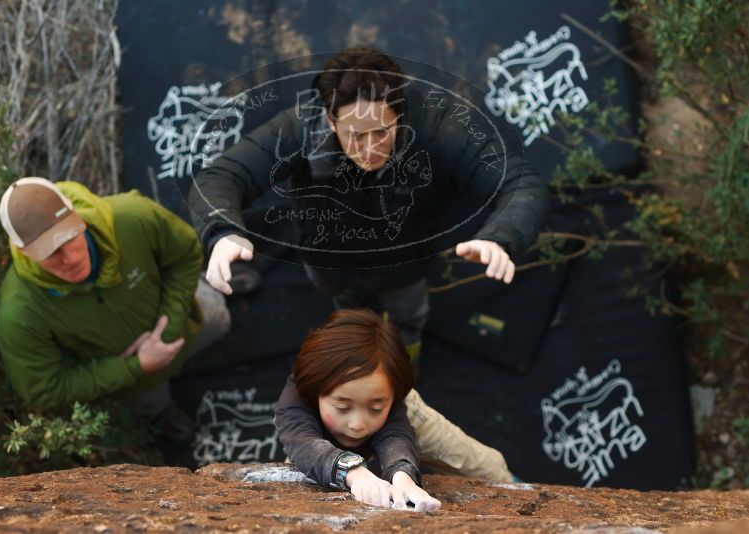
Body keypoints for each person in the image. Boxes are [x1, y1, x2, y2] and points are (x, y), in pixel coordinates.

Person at [191, 46, 540, 479]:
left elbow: (518, 180)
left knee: (408, 318)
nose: (369, 148)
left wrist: (499, 236)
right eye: (354, 134)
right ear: (330, 118)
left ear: (400, 115)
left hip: (406, 263)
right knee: (347, 321)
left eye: (382, 132)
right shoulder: (300, 127)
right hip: (329, 264)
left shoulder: (439, 124)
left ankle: (404, 370)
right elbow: (221, 176)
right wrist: (223, 231)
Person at [0, 177, 230, 439]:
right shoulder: (18, 312)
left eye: (70, 236)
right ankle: (163, 413)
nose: (71, 258)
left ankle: (220, 279)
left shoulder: (132, 217)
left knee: (219, 317)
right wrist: (135, 366)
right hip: (134, 382)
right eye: (51, 253)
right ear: (23, 251)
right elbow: (44, 390)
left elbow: (185, 254)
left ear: (75, 213)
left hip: (186, 323)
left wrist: (168, 327)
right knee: (151, 401)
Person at [275, 309, 441, 511]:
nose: (357, 425)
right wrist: (354, 473)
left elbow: (396, 436)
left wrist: (403, 478)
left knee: (486, 467)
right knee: (298, 474)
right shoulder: (300, 393)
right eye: (342, 407)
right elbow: (303, 444)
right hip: (324, 443)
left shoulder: (393, 398)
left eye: (374, 408)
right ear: (316, 390)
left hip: (411, 420)